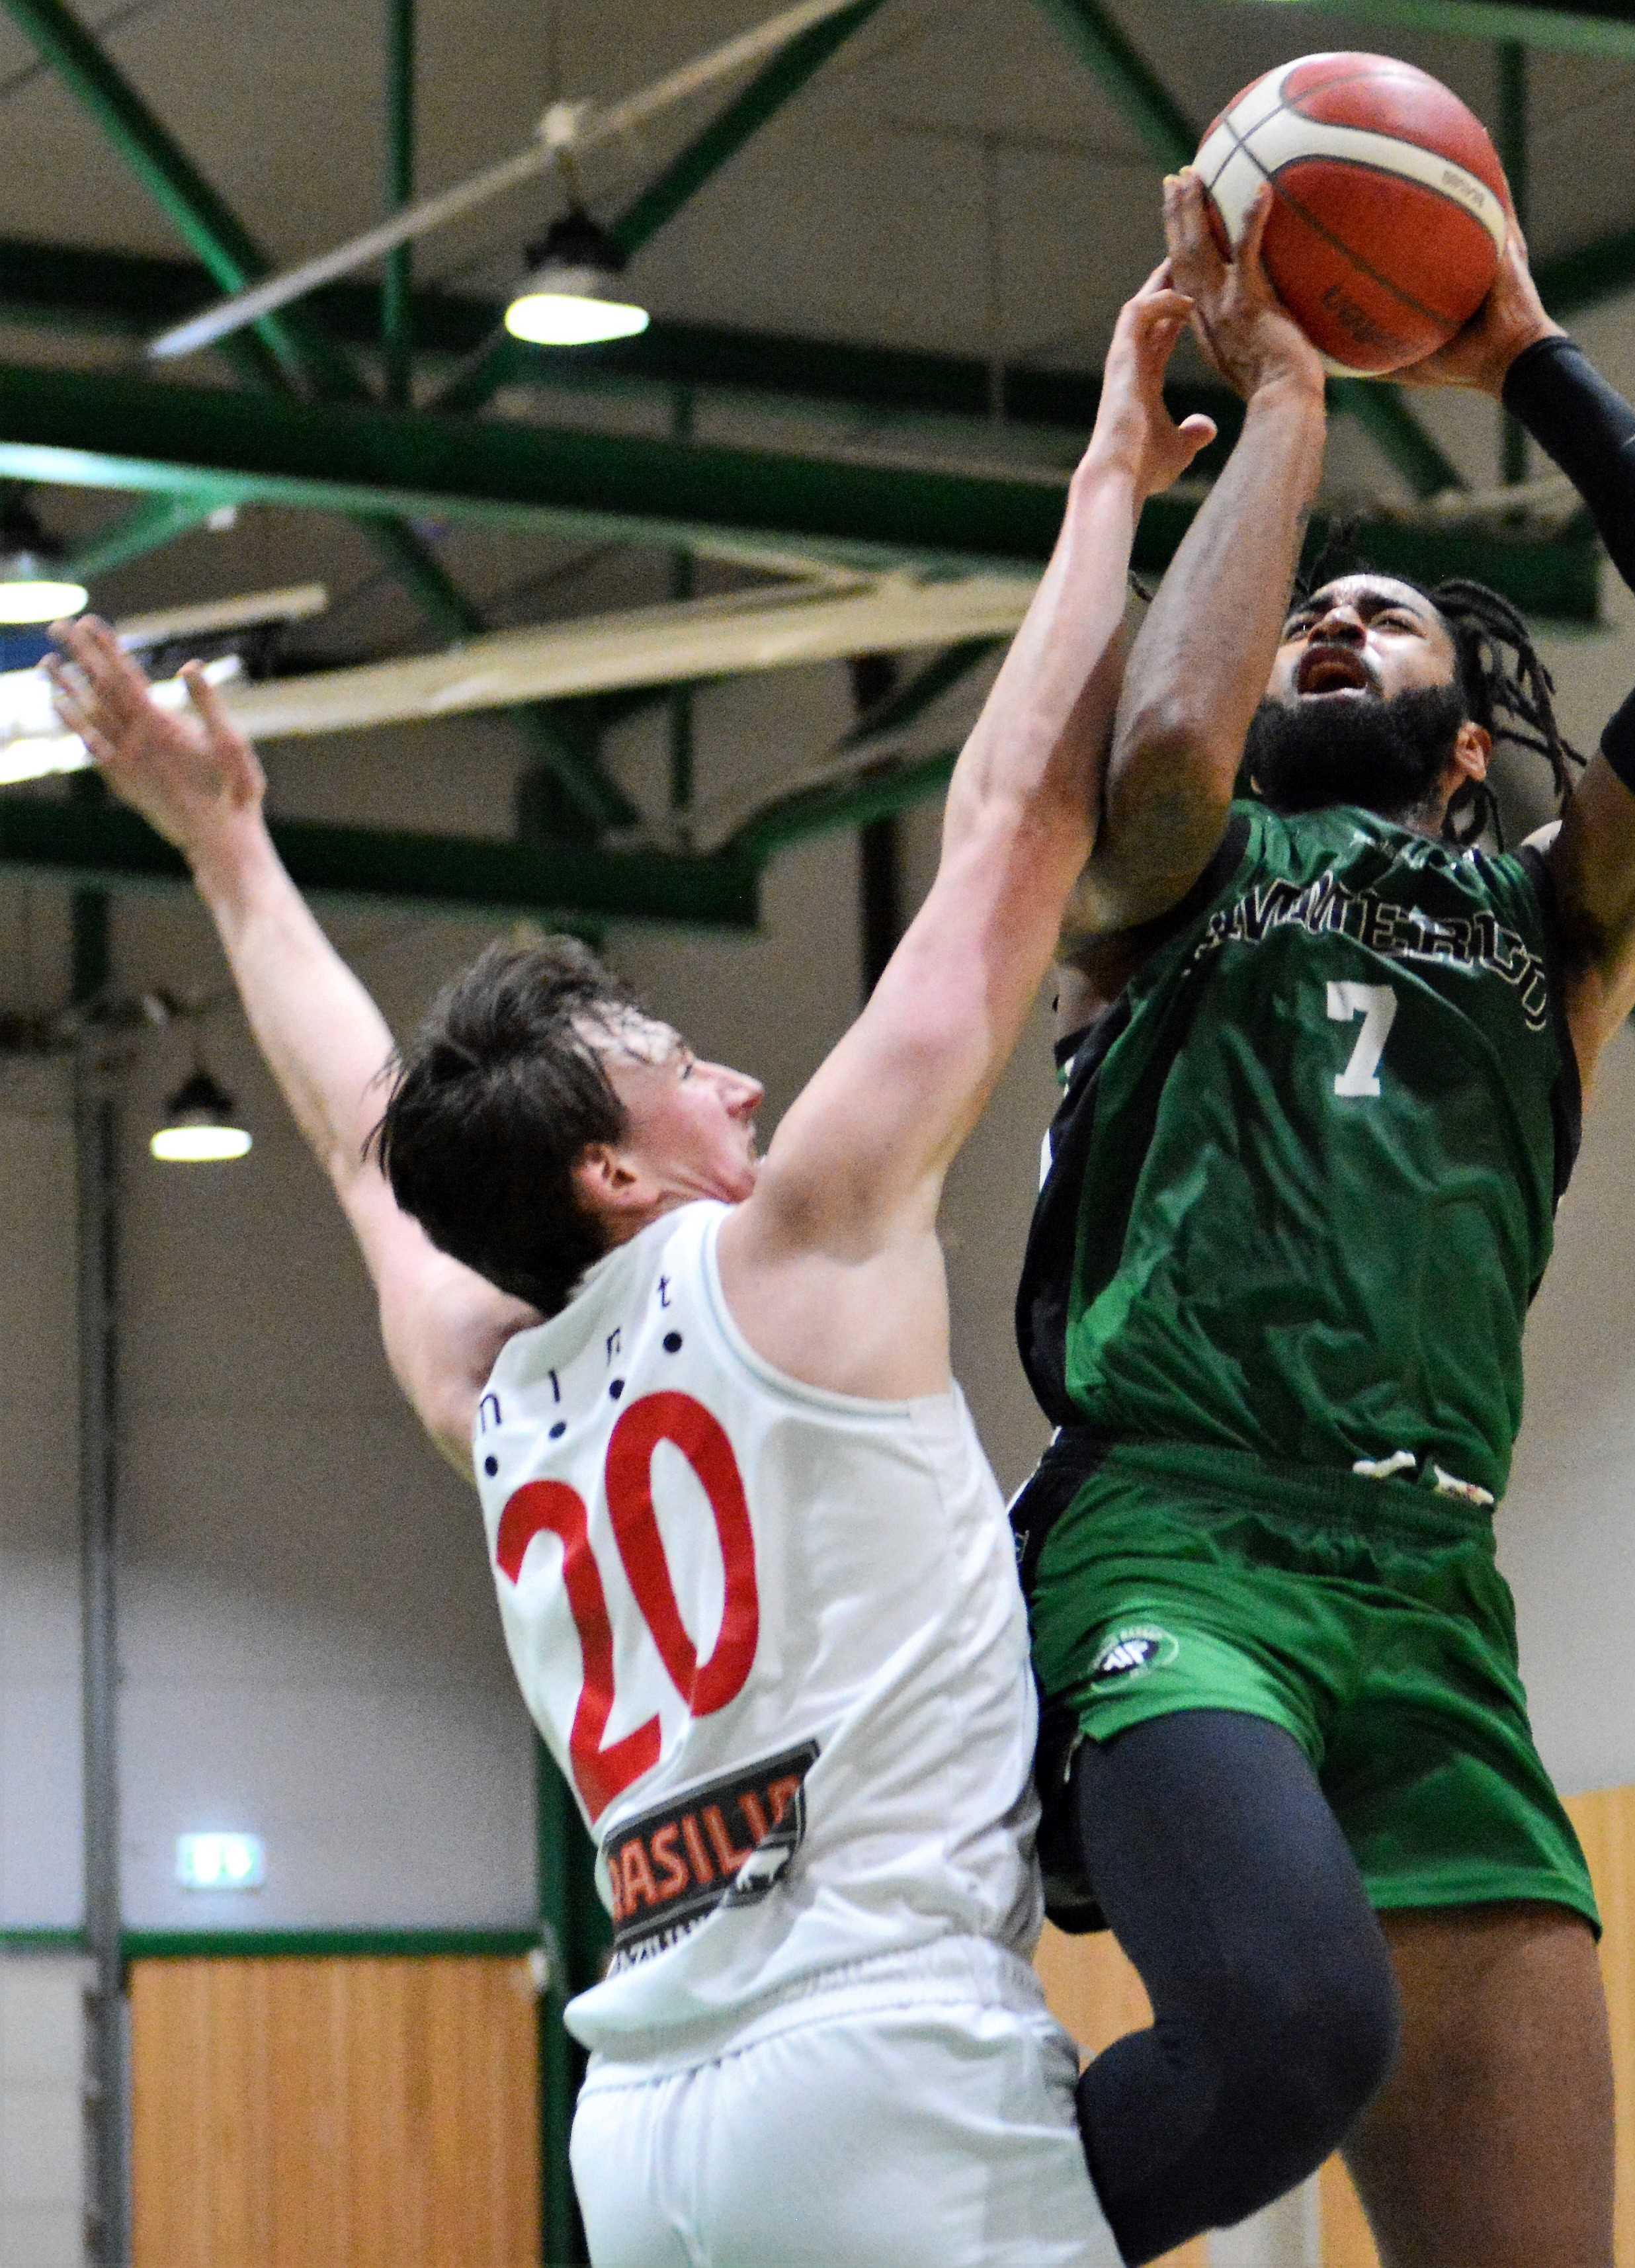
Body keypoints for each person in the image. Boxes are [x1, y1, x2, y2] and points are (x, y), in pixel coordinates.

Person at [47, 269, 1217, 2268]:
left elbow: (354, 1135)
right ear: (610, 1171)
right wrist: (1106, 473)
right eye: (685, 1070)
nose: (745, 1077)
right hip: (881, 2062)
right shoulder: (798, 1240)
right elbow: (1017, 825)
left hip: (643, 2139)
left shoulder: (485, 1388)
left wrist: (229, 848)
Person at [1009, 173, 1635, 2266]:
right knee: (1280, 2038)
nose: (1335, 617)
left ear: (1464, 752)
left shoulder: (1563, 927)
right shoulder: (1159, 889)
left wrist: (1527, 348)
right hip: (1180, 1530)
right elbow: (1166, 735)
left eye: (1392, 618)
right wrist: (1280, 410)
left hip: (1437, 1594)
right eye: (1307, 613)